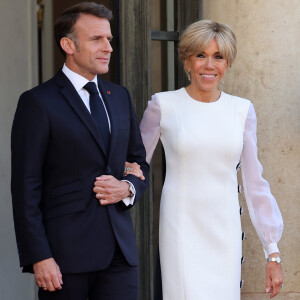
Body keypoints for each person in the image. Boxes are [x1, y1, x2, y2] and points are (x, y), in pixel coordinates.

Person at [128, 20, 284, 299]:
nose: (209, 65)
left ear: (228, 63)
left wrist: (272, 251)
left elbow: (254, 182)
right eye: (200, 55)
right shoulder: (163, 105)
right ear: (187, 60)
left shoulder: (242, 110)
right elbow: (135, 165)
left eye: (218, 57)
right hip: (180, 228)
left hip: (224, 229)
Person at [11, 2, 148, 300]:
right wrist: (39, 255)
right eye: (96, 39)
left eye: (109, 39)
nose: (108, 47)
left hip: (120, 253)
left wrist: (127, 187)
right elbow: (25, 186)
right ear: (68, 44)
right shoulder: (38, 102)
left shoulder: (120, 97)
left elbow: (140, 163)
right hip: (64, 258)